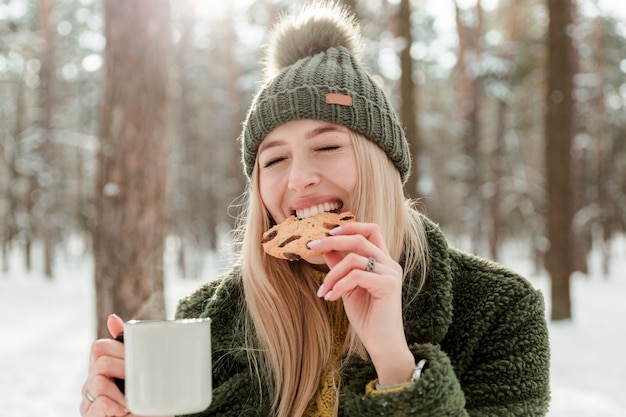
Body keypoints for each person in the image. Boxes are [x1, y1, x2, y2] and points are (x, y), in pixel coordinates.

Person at [80, 1, 550, 416]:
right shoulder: (205, 322)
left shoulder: (499, 311)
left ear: (381, 163)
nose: (298, 177)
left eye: (326, 147)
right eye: (275, 159)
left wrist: (394, 363)